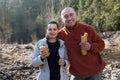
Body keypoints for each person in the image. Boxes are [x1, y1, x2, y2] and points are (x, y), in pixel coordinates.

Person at [58, 7, 106, 80]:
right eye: (66, 16)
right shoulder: (60, 35)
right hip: (76, 72)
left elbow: (102, 44)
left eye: (71, 14)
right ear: (62, 19)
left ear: (76, 15)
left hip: (95, 70)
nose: (69, 18)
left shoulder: (88, 28)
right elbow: (50, 45)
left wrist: (90, 47)